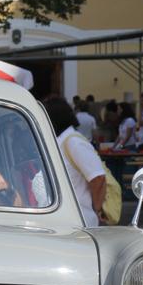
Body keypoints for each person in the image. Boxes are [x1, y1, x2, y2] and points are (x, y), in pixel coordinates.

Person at [45, 97, 106, 227]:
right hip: (67, 220)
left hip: (81, 220)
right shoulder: (61, 141)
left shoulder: (74, 143)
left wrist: (96, 209)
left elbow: (98, 178)